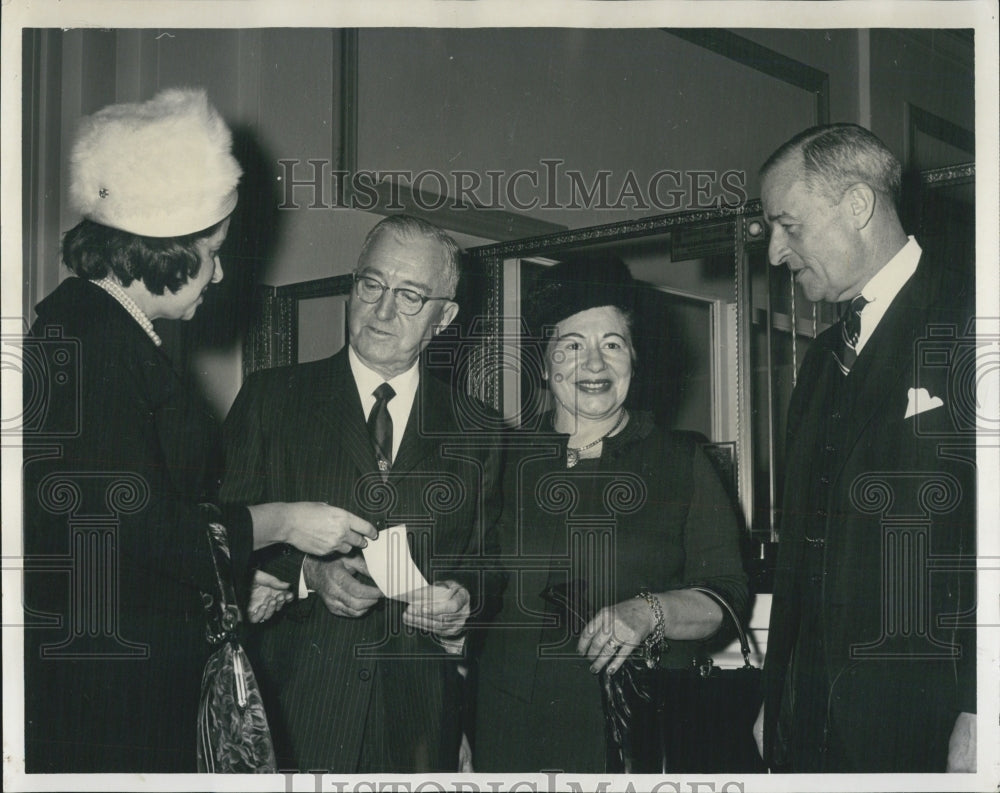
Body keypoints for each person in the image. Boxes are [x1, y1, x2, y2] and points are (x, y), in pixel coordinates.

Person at [21, 88, 376, 773]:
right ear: (162, 248)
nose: (219, 272)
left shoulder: (97, 332)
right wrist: (283, 521)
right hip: (109, 701)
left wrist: (226, 581)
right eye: (212, 251)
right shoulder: (98, 348)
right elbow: (138, 525)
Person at [220, 214, 504, 772]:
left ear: (444, 317)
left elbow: (489, 558)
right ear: (352, 287)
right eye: (372, 284)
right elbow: (220, 536)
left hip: (419, 721)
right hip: (293, 714)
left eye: (410, 296)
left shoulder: (479, 428)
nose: (383, 310)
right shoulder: (271, 399)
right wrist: (306, 574)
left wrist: (464, 598)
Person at [753, 124, 976, 773]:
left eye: (788, 226)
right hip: (807, 723)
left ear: (857, 205)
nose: (775, 252)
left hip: (925, 722)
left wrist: (982, 708)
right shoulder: (822, 358)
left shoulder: (973, 318)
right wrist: (778, 693)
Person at [473, 255, 748, 773]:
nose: (595, 364)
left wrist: (649, 612)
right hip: (506, 731)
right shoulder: (500, 459)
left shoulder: (681, 461)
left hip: (634, 732)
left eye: (613, 344)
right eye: (573, 345)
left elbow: (726, 597)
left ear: (634, 359)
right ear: (544, 363)